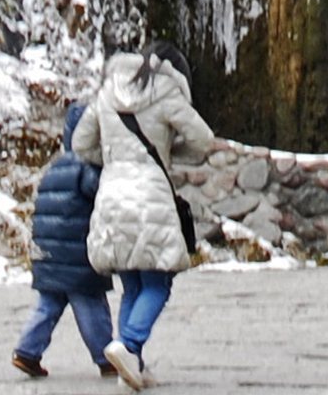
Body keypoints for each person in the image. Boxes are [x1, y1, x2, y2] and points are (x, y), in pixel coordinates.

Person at [74, 44, 216, 389]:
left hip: (111, 197)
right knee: (158, 282)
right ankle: (129, 344)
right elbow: (204, 140)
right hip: (149, 196)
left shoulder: (107, 93)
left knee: (133, 284)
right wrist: (166, 147)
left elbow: (81, 144)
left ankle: (130, 369)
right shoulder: (165, 92)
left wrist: (114, 158)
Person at [13, 101, 112, 379]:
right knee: (91, 303)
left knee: (49, 304)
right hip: (76, 255)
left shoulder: (56, 166)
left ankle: (27, 351)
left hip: (50, 252)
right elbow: (99, 197)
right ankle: (106, 357)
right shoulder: (88, 168)